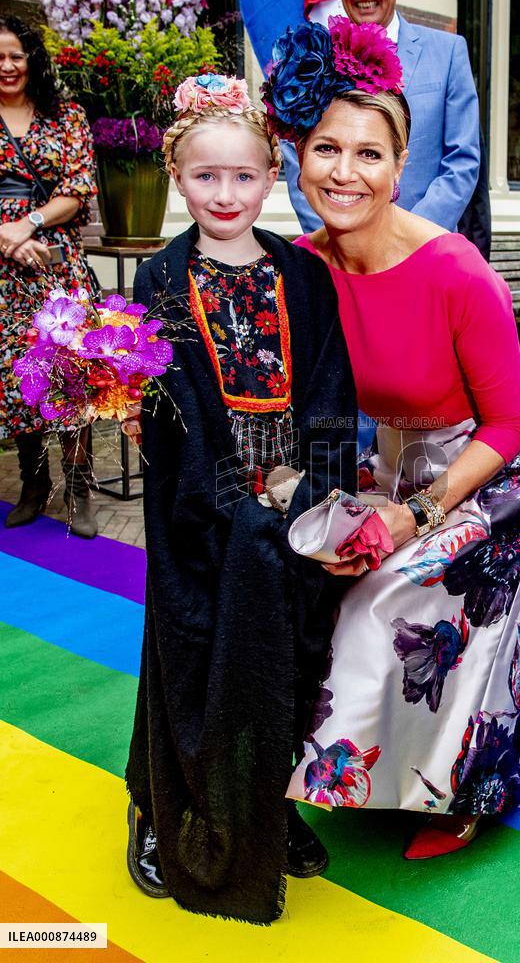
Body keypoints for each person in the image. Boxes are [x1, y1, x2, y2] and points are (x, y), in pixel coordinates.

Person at [262, 19, 520, 858]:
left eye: (370, 154)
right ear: (300, 156)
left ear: (402, 168)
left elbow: (510, 422)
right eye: (327, 148)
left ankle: (471, 782)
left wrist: (422, 512)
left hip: (505, 459)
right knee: (313, 575)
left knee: (397, 594)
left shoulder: (456, 271)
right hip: (402, 455)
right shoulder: (301, 266)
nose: (345, 171)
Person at [122, 73, 358, 923]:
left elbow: (331, 389)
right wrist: (238, 501)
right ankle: (161, 804)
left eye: (245, 175)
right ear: (177, 176)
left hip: (293, 502)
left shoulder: (303, 275)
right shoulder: (160, 279)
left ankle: (272, 801)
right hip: (200, 507)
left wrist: (316, 493)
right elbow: (177, 407)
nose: (226, 194)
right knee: (192, 654)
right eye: (205, 175)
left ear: (273, 176)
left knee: (292, 658)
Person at [282, 0, 485, 247]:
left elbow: (462, 161)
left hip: (425, 250)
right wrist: (339, 240)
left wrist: (406, 240)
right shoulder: (312, 60)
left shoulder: (448, 53)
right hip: (340, 259)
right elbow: (296, 159)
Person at [0, 14, 98, 538]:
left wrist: (29, 223)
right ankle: (34, 485)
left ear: (32, 58)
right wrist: (8, 238)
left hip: (57, 261)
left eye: (16, 54)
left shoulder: (67, 117)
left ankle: (79, 488)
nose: (7, 65)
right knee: (17, 376)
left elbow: (79, 186)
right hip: (2, 272)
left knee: (69, 372)